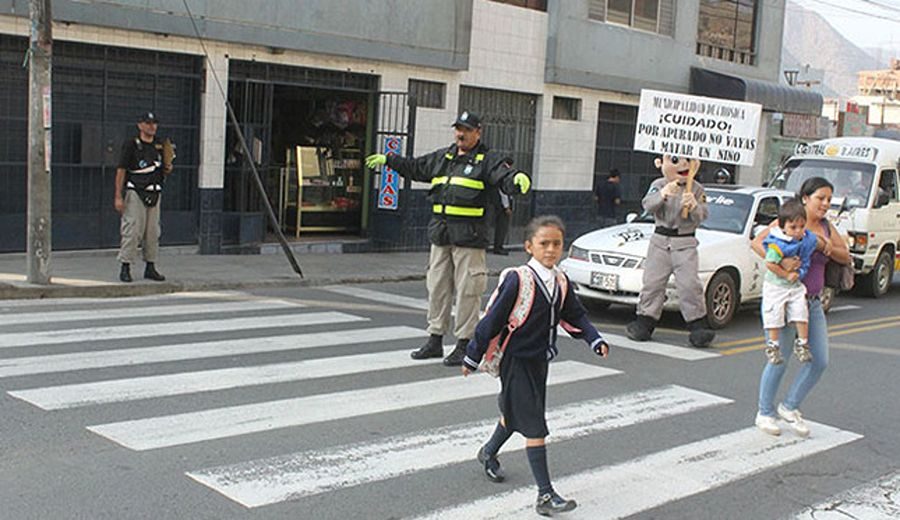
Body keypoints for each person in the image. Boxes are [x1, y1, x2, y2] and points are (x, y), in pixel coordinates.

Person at [460, 215, 610, 517]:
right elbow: (492, 320)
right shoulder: (519, 278)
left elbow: (575, 315)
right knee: (535, 425)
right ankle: (545, 494)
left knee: (515, 416)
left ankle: (487, 452)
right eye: (544, 243)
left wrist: (594, 339)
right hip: (516, 361)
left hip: (540, 359)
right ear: (529, 246)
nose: (551, 249)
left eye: (557, 244)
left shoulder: (560, 280)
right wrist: (472, 354)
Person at [365, 111, 531, 366]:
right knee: (437, 288)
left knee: (468, 291)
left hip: (470, 238)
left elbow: (504, 176)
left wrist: (516, 179)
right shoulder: (444, 157)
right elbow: (416, 167)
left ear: (478, 132)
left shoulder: (488, 160)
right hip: (441, 235)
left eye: (465, 129)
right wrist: (390, 160)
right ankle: (434, 340)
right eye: (457, 129)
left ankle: (465, 344)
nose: (460, 134)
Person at [751, 177, 850, 437]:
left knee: (819, 360)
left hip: (813, 302)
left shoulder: (825, 228)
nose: (826, 204)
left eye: (829, 199)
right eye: (821, 198)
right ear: (805, 198)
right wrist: (780, 264)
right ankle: (765, 412)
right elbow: (757, 243)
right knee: (779, 358)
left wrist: (822, 244)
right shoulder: (788, 221)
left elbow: (845, 256)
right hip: (784, 297)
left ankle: (790, 406)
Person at [625, 155, 716, 348]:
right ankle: (645, 321)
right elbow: (647, 206)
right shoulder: (659, 184)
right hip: (660, 241)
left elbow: (703, 216)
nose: (683, 164)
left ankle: (698, 324)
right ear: (661, 163)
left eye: (688, 160)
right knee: (652, 283)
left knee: (689, 285)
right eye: (675, 160)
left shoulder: (698, 188)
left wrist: (694, 206)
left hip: (685, 241)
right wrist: (663, 194)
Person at [114, 111, 173, 283]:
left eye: (154, 123)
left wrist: (168, 167)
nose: (152, 126)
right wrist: (118, 195)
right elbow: (121, 170)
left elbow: (165, 168)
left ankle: (150, 267)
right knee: (132, 230)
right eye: (148, 123)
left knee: (153, 232)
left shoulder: (160, 145)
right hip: (136, 192)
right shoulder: (131, 144)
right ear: (140, 125)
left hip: (155, 191)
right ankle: (125, 266)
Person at [760, 199, 818, 365]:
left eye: (801, 226)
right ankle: (773, 345)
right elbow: (770, 264)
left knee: (801, 312)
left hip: (795, 285)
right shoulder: (777, 244)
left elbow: (812, 250)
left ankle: (802, 343)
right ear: (782, 226)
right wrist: (785, 274)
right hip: (776, 286)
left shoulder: (806, 240)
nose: (797, 231)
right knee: (774, 315)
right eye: (793, 227)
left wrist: (798, 273)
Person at [490, 189, 512, 255]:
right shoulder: (503, 180)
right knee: (502, 227)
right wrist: (506, 206)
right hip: (501, 205)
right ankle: (498, 247)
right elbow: (503, 192)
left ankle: (497, 246)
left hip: (497, 203)